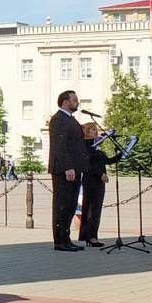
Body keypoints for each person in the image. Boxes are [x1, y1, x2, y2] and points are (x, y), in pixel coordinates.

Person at [48, 90, 89, 252]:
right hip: (64, 170)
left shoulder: (71, 119)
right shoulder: (58, 119)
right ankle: (59, 241)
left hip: (75, 168)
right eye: (75, 100)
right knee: (62, 205)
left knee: (71, 205)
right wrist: (67, 167)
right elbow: (60, 146)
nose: (77, 103)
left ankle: (66, 238)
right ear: (65, 102)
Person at [78, 123, 123, 247]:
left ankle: (90, 236)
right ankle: (90, 237)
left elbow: (107, 161)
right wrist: (100, 174)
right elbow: (87, 164)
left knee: (96, 210)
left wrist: (121, 154)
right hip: (90, 181)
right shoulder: (86, 146)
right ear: (87, 132)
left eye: (96, 129)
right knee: (91, 210)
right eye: (93, 130)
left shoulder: (96, 147)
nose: (96, 132)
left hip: (99, 182)